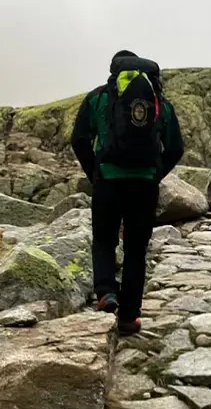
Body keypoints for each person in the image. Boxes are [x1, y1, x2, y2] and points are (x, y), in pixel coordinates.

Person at [71, 50, 184, 336]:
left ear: (114, 71)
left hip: (107, 181)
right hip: (144, 185)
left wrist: (94, 173)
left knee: (104, 240)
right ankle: (129, 317)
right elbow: (176, 148)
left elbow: (79, 139)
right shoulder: (160, 103)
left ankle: (106, 291)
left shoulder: (99, 98)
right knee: (136, 250)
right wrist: (155, 174)